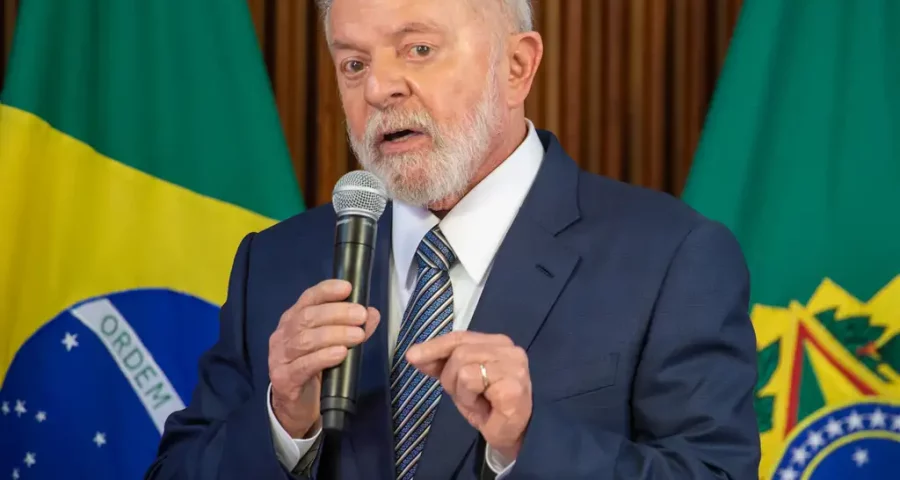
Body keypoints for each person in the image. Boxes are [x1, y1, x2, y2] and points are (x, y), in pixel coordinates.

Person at [145, 0, 761, 478]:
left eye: (417, 49)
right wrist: (283, 423)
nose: (378, 88)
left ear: (517, 66)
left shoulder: (672, 257)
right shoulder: (277, 262)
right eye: (353, 63)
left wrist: (527, 445)